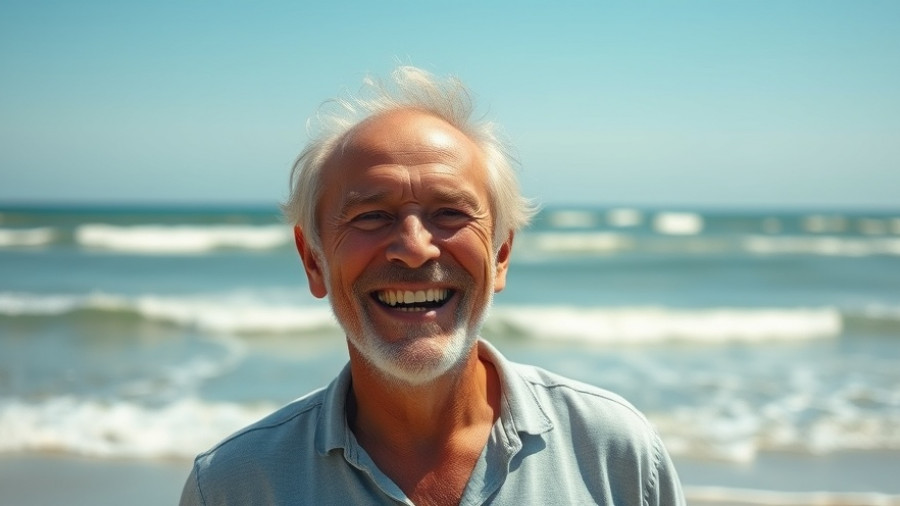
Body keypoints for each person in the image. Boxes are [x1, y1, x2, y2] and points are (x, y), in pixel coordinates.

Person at [180, 66, 685, 505]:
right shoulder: (233, 486)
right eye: (372, 215)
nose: (415, 247)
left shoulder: (615, 455)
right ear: (313, 260)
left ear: (501, 254)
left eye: (450, 213)